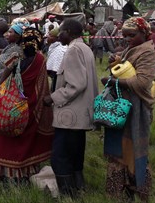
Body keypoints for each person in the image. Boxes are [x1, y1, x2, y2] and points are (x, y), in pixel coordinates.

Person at [101, 17, 155, 201]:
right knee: (119, 151)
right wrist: (115, 63)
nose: (126, 38)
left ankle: (137, 187)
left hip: (136, 109)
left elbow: (142, 82)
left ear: (144, 33)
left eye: (131, 35)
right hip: (123, 107)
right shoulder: (132, 48)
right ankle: (121, 188)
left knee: (133, 151)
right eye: (124, 35)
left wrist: (114, 81)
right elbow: (125, 69)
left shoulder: (147, 52)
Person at [43, 19, 98, 197]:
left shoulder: (74, 50)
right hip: (80, 113)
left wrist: (52, 98)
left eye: (61, 32)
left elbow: (76, 84)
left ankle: (67, 195)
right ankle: (78, 188)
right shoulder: (85, 47)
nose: (58, 35)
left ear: (68, 31)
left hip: (70, 115)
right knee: (75, 154)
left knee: (60, 156)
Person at [0, 28, 54, 183]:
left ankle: (5, 171)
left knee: (7, 135)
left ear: (22, 42)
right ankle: (25, 171)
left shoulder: (15, 57)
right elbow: (43, 87)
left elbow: (3, 78)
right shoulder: (40, 60)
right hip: (30, 106)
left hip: (11, 104)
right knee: (26, 137)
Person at [0, 19, 27, 85]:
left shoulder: (17, 50)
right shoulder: (12, 46)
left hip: (1, 81)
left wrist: (0, 84)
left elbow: (8, 67)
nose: (7, 34)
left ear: (18, 35)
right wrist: (3, 51)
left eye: (10, 32)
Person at [46, 29, 68, 93]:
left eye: (50, 35)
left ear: (57, 38)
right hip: (54, 75)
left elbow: (57, 67)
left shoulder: (61, 49)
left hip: (59, 76)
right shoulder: (54, 46)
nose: (48, 36)